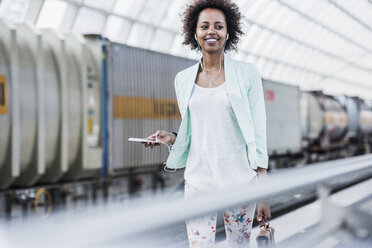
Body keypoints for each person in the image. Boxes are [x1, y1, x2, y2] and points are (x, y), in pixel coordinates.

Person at [145, 0, 270, 247]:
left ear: (228, 33)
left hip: (240, 182)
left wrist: (263, 192)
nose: (211, 31)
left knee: (238, 244)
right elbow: (196, 129)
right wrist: (172, 137)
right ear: (195, 32)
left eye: (218, 26)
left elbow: (258, 132)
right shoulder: (183, 79)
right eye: (204, 26)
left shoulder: (248, 74)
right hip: (199, 182)